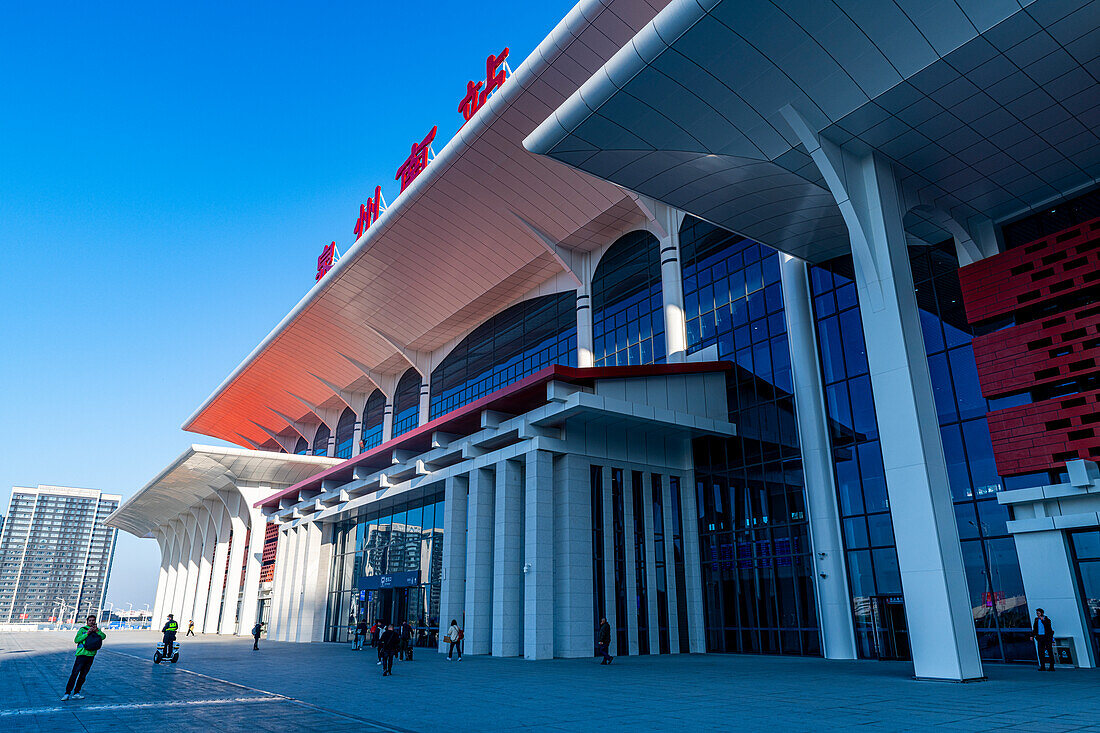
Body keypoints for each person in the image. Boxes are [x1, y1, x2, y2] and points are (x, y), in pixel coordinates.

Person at [63, 615, 105, 700]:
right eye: (90, 620)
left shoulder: (97, 631)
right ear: (87, 621)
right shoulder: (83, 630)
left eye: (93, 620)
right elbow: (76, 640)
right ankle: (67, 693)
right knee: (74, 674)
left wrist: (97, 631)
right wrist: (87, 633)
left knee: (83, 676)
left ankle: (76, 693)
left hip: (91, 656)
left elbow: (103, 637)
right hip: (81, 655)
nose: (92, 622)